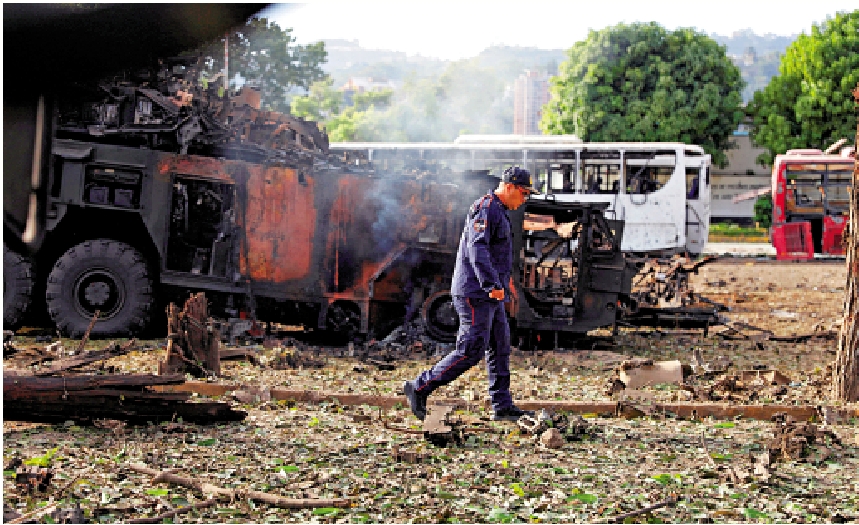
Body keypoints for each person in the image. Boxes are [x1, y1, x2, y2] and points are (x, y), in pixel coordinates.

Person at [403, 166, 537, 422]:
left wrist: (503, 282)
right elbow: (478, 249)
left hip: (490, 293)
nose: (525, 199)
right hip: (476, 293)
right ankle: (419, 387)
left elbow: (495, 253)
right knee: (470, 351)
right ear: (509, 187)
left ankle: (502, 406)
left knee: (500, 346)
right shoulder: (486, 208)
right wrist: (490, 284)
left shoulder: (500, 210)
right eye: (523, 193)